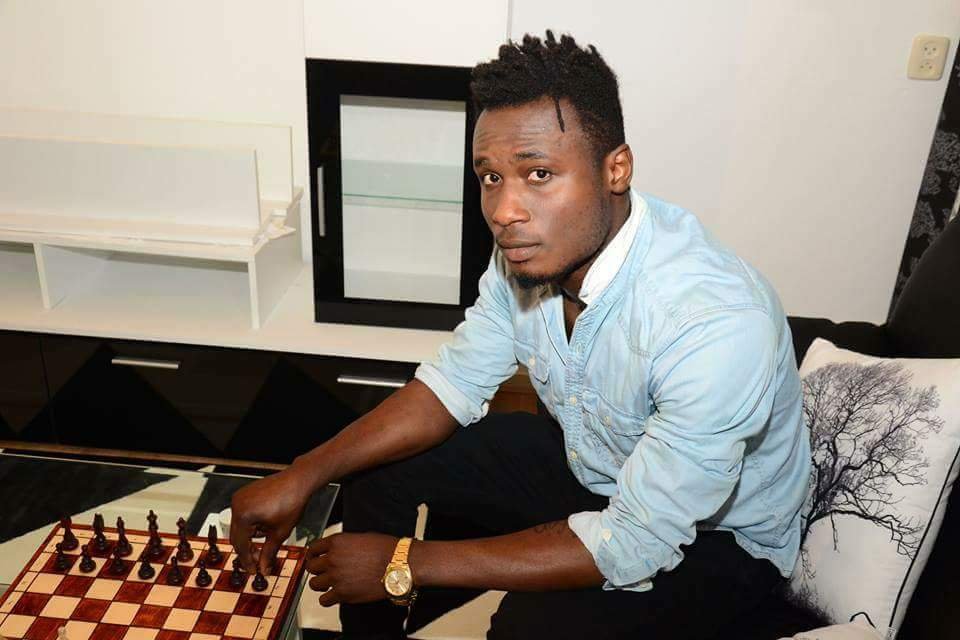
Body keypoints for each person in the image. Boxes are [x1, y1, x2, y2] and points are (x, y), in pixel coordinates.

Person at [230, 30, 812, 639]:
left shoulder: (714, 321)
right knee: (377, 470)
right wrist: (304, 473)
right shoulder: (532, 250)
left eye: (538, 174)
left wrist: (406, 563)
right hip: (596, 466)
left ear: (615, 169)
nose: (505, 210)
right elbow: (453, 383)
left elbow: (635, 540)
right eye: (490, 177)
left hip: (717, 541)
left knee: (524, 629)